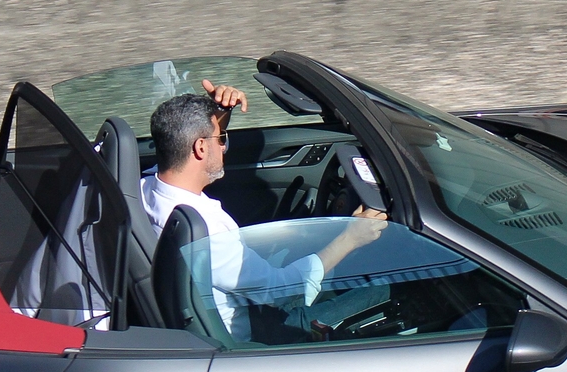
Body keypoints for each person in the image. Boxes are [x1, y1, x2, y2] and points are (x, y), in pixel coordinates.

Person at [143, 80, 388, 339]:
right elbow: (279, 291)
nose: (224, 147)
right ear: (201, 148)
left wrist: (219, 112)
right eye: (221, 139)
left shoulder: (144, 187)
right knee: (385, 290)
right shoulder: (206, 230)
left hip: (242, 299)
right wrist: (351, 238)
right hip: (255, 329)